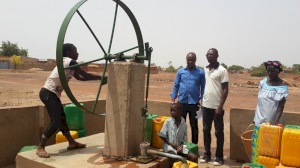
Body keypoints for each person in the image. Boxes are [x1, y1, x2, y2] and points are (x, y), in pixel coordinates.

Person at [36, 43, 106, 158]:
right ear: (68, 53)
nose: (77, 53)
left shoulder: (66, 63)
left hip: (52, 94)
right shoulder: (70, 62)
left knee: (62, 119)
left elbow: (80, 77)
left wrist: (98, 78)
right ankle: (40, 147)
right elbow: (85, 75)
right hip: (48, 93)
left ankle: (72, 143)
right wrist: (100, 77)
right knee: (56, 121)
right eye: (75, 51)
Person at [251, 60, 288, 163]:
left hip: (273, 122)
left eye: (272, 71)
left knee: (270, 149)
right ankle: (256, 164)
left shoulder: (282, 85)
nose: (270, 73)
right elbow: (260, 102)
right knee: (257, 145)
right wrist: (255, 118)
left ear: (278, 72)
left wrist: (275, 121)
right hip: (259, 118)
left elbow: (281, 106)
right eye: (268, 71)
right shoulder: (263, 82)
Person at [200, 48, 229, 166]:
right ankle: (207, 155)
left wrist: (220, 106)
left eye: (211, 54)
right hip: (205, 106)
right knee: (206, 130)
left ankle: (219, 157)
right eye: (207, 54)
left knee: (218, 132)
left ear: (217, 56)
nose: (208, 55)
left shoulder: (222, 70)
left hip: (217, 107)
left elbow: (225, 89)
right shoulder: (205, 69)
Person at [170, 52, 205, 145]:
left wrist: (203, 101)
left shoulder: (200, 72)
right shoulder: (180, 72)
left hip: (195, 104)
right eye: (188, 60)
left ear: (195, 60)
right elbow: (175, 86)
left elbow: (203, 87)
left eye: (192, 60)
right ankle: (180, 145)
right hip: (181, 103)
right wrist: (173, 101)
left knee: (194, 126)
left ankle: (194, 146)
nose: (190, 62)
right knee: (180, 125)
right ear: (186, 60)